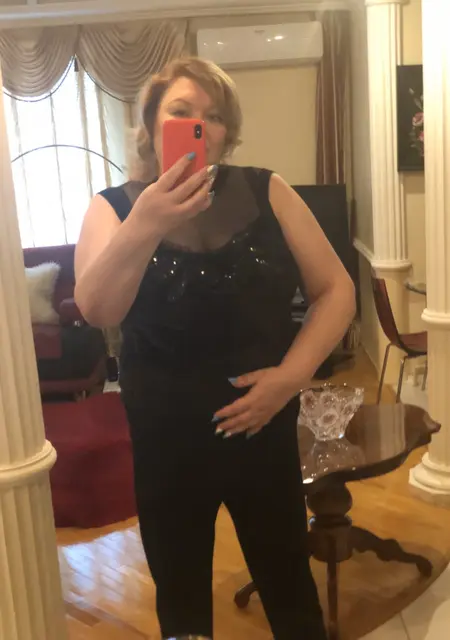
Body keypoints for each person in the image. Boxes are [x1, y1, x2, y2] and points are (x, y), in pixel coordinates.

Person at [74, 56, 355, 640]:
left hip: (264, 424)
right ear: (151, 124)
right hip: (167, 436)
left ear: (227, 132)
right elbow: (99, 309)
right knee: (181, 600)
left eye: (216, 116)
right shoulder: (114, 207)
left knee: (290, 587)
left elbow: (337, 290)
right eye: (182, 111)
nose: (201, 124)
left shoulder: (267, 189)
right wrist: (146, 222)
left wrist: (291, 376)